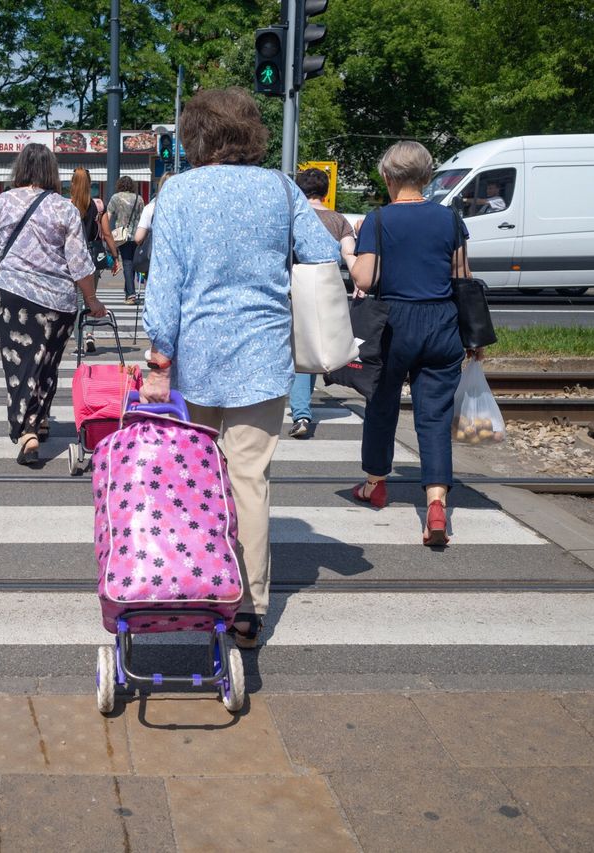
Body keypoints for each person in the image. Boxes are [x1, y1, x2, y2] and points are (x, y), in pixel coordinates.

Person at [139, 88, 340, 649]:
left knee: (195, 478)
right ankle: (248, 608)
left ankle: (199, 585)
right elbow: (322, 257)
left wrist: (159, 357)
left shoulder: (177, 192)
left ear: (195, 134)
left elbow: (166, 284)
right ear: (250, 132)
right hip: (262, 356)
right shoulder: (279, 188)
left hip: (196, 357)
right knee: (249, 480)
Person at [349, 140, 477, 547]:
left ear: (388, 177)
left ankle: (375, 483)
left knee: (381, 403)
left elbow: (365, 280)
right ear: (427, 177)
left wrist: (350, 253)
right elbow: (462, 276)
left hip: (392, 324)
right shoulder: (450, 219)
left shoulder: (379, 219)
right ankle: (436, 503)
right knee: (434, 415)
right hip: (442, 322)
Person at [0, 143, 106, 466]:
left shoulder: (3, 201)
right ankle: (42, 417)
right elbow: (79, 261)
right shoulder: (64, 208)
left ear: (20, 169)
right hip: (57, 301)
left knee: (20, 364)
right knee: (47, 362)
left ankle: (27, 431)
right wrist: (91, 300)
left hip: (13, 294)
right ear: (52, 171)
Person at [288, 167, 358, 439]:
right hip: (326, 288)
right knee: (314, 346)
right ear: (326, 191)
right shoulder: (338, 219)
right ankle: (301, 409)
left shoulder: (293, 217)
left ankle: (301, 412)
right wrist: (359, 281)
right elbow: (348, 253)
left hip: (294, 286)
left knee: (301, 348)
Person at [70, 167, 119, 353]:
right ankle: (90, 334)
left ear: (73, 184)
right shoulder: (98, 205)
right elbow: (107, 233)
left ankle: (79, 343)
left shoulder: (69, 206)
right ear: (90, 184)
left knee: (77, 302)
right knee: (91, 297)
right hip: (93, 257)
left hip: (74, 257)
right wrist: (115, 257)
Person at [106, 177, 144, 304]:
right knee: (132, 264)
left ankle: (131, 295)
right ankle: (128, 291)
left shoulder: (115, 198)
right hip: (137, 235)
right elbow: (142, 218)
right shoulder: (139, 198)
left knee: (127, 263)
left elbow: (108, 216)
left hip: (122, 236)